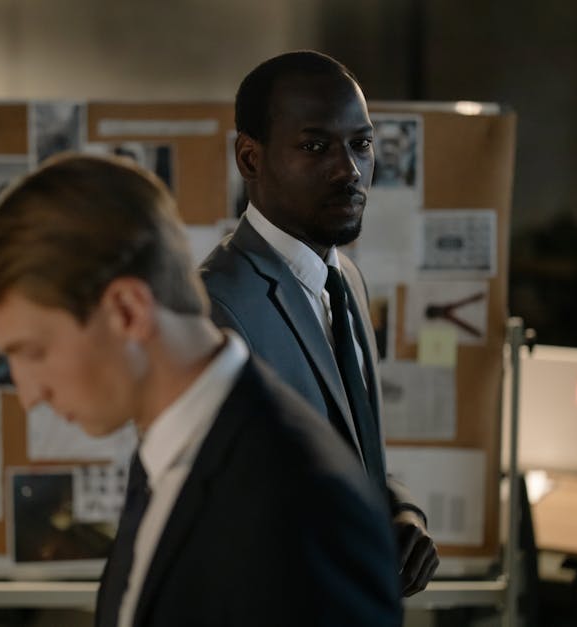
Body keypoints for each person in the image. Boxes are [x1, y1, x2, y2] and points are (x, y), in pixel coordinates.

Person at [0, 153, 402, 626]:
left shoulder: (305, 503)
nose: (29, 396)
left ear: (127, 310)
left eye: (34, 352)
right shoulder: (168, 455)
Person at [200, 50, 439, 596]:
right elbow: (225, 520)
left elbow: (346, 452)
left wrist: (400, 511)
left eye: (361, 144)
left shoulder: (346, 279)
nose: (349, 169)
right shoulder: (216, 308)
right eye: (315, 146)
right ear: (250, 159)